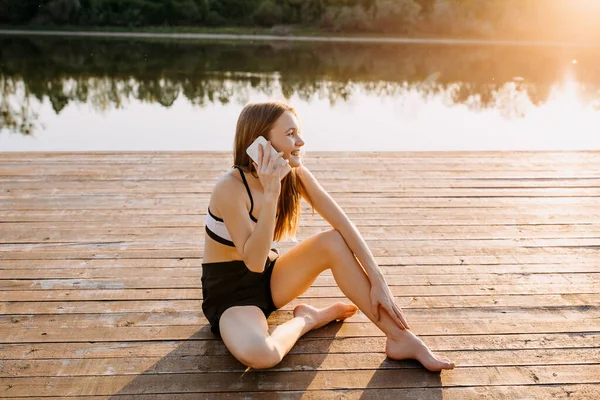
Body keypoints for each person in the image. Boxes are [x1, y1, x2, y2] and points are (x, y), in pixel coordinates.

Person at [201, 101, 455, 371]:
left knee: (332, 241)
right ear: (260, 142)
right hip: (230, 295)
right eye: (290, 134)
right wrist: (272, 191)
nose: (300, 141)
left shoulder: (295, 174)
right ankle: (307, 320)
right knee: (264, 355)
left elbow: (344, 225)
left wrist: (378, 280)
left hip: (271, 279)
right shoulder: (230, 188)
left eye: (298, 132)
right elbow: (253, 262)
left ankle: (401, 338)